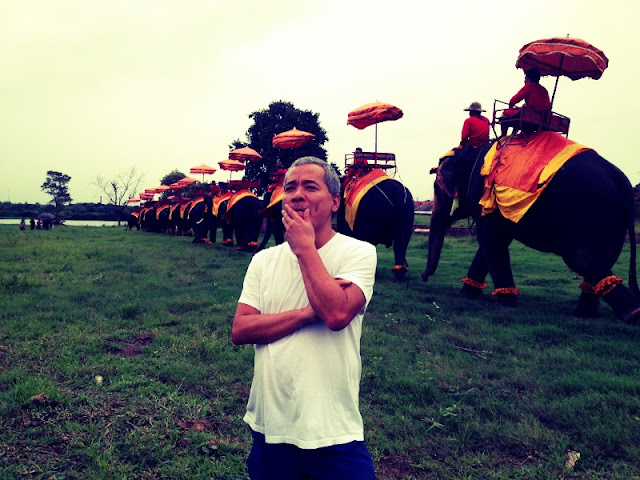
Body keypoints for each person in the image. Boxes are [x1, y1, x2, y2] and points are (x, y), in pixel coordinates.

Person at [232, 156, 377, 480]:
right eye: (290, 188)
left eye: (310, 187)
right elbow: (241, 329)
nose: (297, 195)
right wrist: (307, 314)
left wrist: (305, 249)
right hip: (271, 427)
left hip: (333, 430)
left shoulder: (358, 252)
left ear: (335, 201)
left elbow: (336, 313)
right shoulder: (263, 260)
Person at [500, 67, 551, 137]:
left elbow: (513, 100)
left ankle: (502, 137)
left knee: (503, 118)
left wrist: (510, 107)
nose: (524, 81)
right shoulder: (544, 90)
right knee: (519, 113)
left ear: (528, 78)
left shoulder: (529, 86)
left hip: (529, 117)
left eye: (525, 78)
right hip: (541, 119)